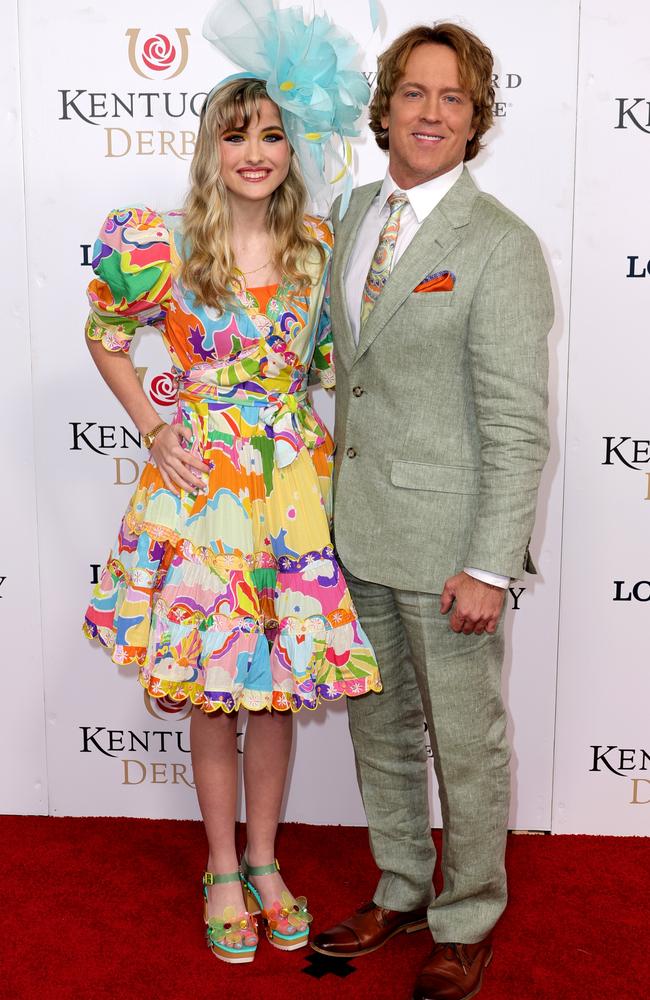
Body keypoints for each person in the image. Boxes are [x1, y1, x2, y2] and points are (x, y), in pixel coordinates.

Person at [82, 3, 379, 965]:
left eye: (273, 135)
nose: (255, 152)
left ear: (296, 148)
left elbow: (337, 366)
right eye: (236, 134)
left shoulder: (322, 252)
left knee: (275, 696)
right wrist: (155, 423)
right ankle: (218, 865)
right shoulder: (159, 244)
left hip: (289, 495)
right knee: (215, 695)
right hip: (200, 496)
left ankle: (265, 860)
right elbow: (104, 334)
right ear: (210, 147)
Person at [311, 23, 554, 1000]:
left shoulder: (499, 246)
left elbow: (514, 419)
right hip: (355, 529)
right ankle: (402, 885)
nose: (430, 112)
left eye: (452, 98)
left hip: (450, 548)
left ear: (475, 117)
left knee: (465, 744)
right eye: (413, 93)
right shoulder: (352, 210)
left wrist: (490, 564)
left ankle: (464, 919)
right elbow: (344, 370)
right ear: (384, 108)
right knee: (377, 731)